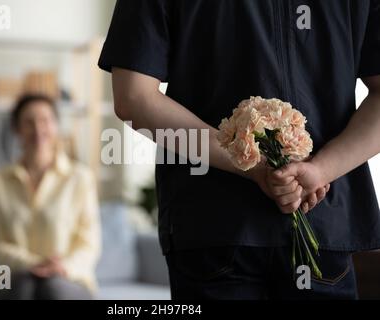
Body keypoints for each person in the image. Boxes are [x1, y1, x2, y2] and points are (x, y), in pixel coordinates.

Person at [98, 0, 380, 299]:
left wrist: (257, 167)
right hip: (320, 219)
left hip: (212, 221)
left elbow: (132, 98)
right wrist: (318, 170)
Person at [0, 94, 101, 300]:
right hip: (13, 275)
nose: (38, 129)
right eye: (29, 122)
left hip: (69, 277)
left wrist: (62, 267)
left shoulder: (81, 178)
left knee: (53, 288)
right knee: (23, 286)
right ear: (16, 128)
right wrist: (31, 263)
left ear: (56, 126)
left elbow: (89, 243)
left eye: (45, 120)